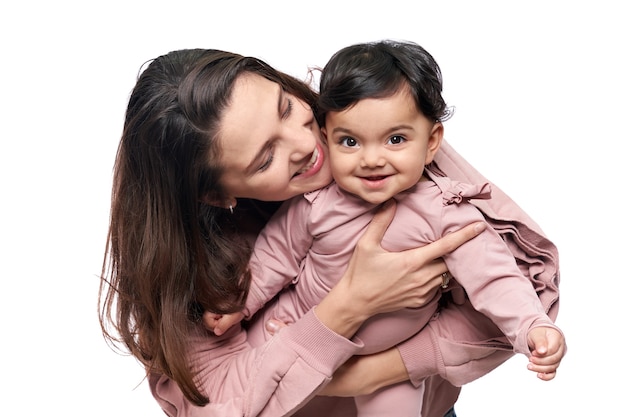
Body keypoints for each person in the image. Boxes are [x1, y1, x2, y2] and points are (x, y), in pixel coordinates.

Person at [98, 46, 561, 417]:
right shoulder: (196, 257)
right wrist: (346, 306)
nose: (308, 143)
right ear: (217, 197)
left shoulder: (375, 133)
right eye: (265, 159)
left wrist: (381, 371)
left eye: (285, 107)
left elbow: (517, 283)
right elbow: (219, 401)